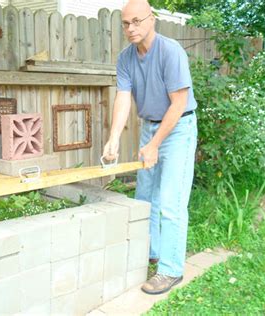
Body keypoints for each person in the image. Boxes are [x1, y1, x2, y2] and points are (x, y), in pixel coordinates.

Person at [102, 0, 198, 295]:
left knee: (171, 200)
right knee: (145, 197)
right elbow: (123, 98)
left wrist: (156, 144)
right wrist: (114, 138)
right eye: (125, 23)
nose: (131, 28)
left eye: (136, 22)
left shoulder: (171, 52)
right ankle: (152, 253)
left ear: (151, 19)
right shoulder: (125, 58)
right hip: (149, 127)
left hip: (178, 127)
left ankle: (170, 270)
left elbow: (179, 103)